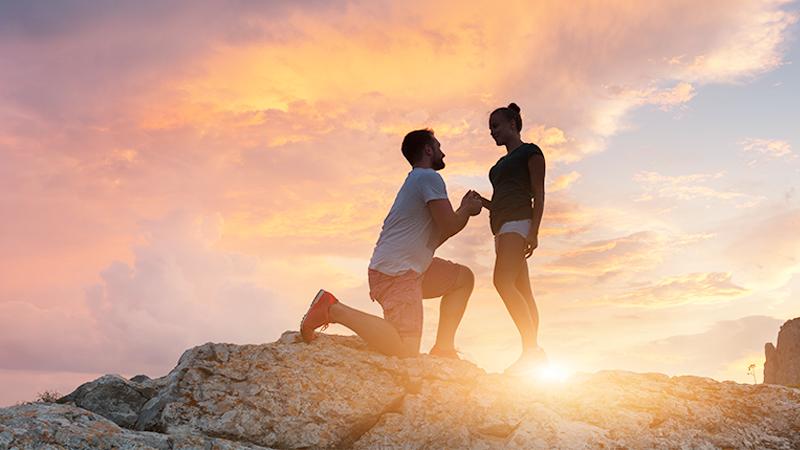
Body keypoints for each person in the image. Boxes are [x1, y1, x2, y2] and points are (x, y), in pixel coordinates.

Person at [300, 129, 483, 358]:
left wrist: (462, 211)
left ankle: (444, 349)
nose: (442, 152)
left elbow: (434, 239)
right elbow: (448, 226)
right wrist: (466, 211)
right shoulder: (428, 177)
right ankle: (332, 309)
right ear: (428, 149)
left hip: (408, 269)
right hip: (397, 273)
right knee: (405, 351)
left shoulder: (418, 180)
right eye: (438, 146)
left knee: (462, 279)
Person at [478, 103, 547, 374]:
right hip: (501, 228)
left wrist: (534, 231)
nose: (492, 132)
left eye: (496, 126)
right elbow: (499, 202)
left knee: (501, 281)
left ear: (512, 124)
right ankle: (532, 352)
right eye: (490, 128)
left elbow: (538, 194)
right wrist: (481, 201)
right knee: (524, 291)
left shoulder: (531, 152)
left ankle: (531, 351)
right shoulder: (496, 167)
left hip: (519, 224)